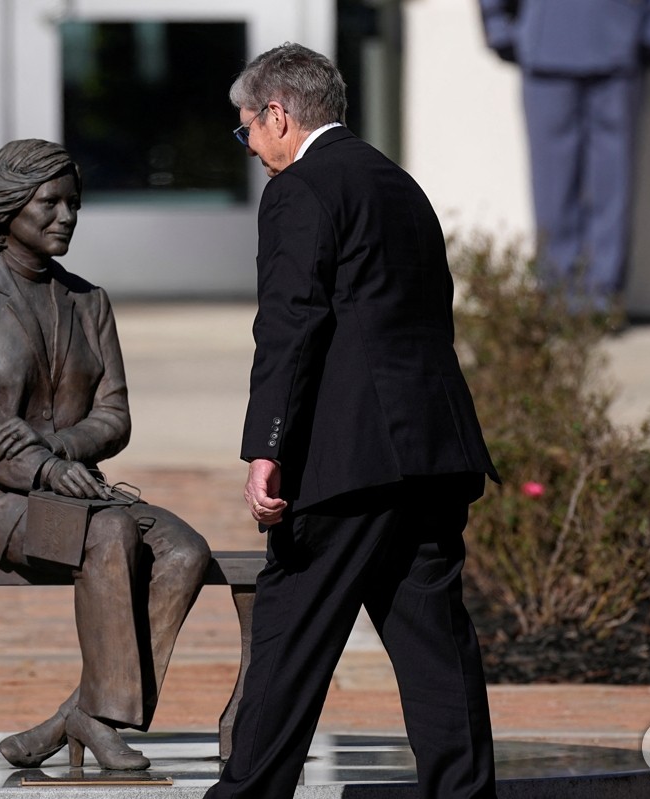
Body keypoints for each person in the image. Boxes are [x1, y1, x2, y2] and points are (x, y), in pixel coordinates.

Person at [206, 43, 500, 799]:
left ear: (278, 114)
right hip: (432, 450)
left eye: (248, 131)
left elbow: (290, 324)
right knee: (435, 646)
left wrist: (265, 449)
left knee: (288, 640)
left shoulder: (301, 188)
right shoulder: (398, 183)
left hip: (347, 462)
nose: (252, 151)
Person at [0, 138, 211, 771]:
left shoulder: (89, 301)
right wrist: (41, 469)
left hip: (76, 489)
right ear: (8, 211)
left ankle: (85, 713)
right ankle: (98, 720)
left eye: (74, 204)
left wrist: (58, 447)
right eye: (50, 203)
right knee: (111, 530)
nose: (67, 217)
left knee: (185, 549)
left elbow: (115, 416)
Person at [479, 0, 650, 324]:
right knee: (552, 185)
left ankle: (603, 296)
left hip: (619, 39)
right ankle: (558, 296)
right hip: (548, 39)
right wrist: (495, 21)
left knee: (613, 182)